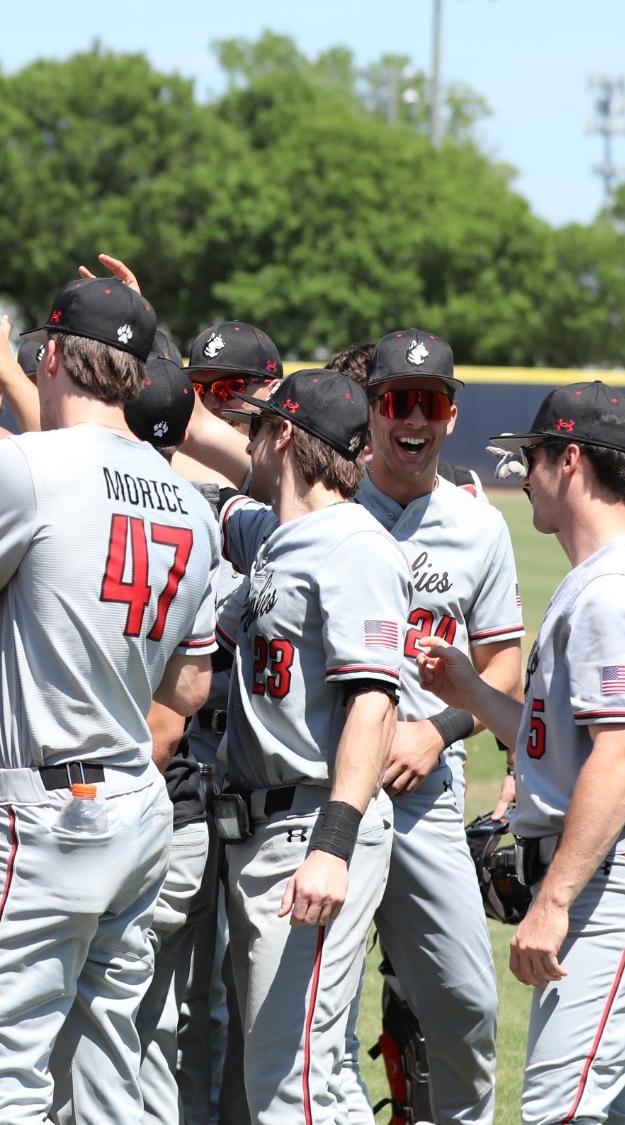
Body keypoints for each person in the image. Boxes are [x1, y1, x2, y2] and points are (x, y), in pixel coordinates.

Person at [0, 276, 219, 1125]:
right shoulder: (188, 500)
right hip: (139, 797)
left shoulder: (23, 461)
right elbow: (191, 682)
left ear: (51, 354)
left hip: (51, 800)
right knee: (108, 1064)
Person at [418, 382, 625, 1125]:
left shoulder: (611, 590)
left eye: (535, 460)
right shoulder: (608, 576)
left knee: (562, 1107)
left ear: (572, 459)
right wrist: (470, 691)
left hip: (616, 878)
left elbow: (617, 760)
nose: (525, 479)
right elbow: (561, 740)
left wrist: (552, 904)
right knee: (614, 1109)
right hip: (615, 867)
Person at [333, 330, 524, 1125]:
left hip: (423, 795)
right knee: (316, 1016)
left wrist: (438, 731)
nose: (413, 419)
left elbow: (505, 664)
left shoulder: (478, 528)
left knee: (467, 1001)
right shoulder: (330, 509)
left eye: (430, 402)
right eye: (395, 401)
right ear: (370, 409)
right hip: (324, 796)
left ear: (451, 414)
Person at [210, 370, 409, 1125]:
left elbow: (373, 702)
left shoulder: (354, 545)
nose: (248, 441)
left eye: (258, 427)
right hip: (272, 829)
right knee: (305, 1076)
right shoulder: (284, 535)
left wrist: (332, 843)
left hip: (312, 832)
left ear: (283, 436)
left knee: (293, 1080)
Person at [118, 333, 222, 1125]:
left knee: (125, 1025)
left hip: (114, 798)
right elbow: (186, 690)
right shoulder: (199, 513)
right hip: (173, 801)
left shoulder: (68, 494)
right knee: (158, 1020)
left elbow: (166, 714)